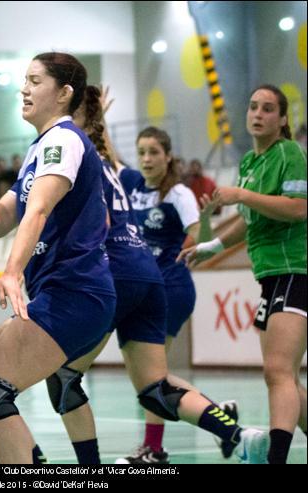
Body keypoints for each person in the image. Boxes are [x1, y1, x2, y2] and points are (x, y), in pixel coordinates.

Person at [50, 85, 266, 465]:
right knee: (153, 384)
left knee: (65, 377)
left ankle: (145, 451)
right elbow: (108, 159)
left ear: (169, 158)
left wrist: (195, 248)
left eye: (155, 152)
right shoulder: (129, 182)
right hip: (145, 281)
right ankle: (234, 432)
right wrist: (99, 119)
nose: (147, 159)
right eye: (143, 152)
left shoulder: (177, 192)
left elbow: (195, 232)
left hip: (156, 282)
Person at [0, 52, 116, 463]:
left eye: (35, 81)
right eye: (25, 80)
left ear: (64, 92)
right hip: (60, 295)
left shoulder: (64, 140)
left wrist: (11, 271)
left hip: (77, 293)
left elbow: (38, 210)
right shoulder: (41, 148)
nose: (24, 89)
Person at [180, 84, 306, 464]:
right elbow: (248, 222)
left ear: (283, 119)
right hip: (270, 275)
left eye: (268, 109)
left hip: (295, 269)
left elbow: (299, 208)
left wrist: (243, 196)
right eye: (253, 107)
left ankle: (276, 458)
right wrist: (209, 247)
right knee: (285, 379)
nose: (258, 114)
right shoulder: (251, 163)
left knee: (277, 371)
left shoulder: (290, 154)